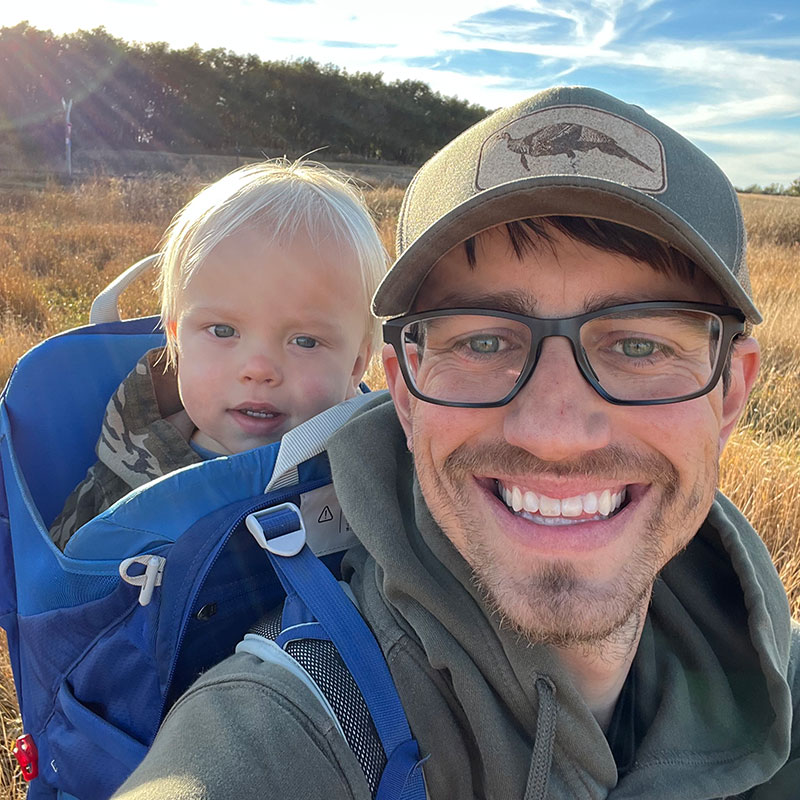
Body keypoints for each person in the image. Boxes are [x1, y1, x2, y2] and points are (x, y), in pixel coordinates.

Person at [115, 88, 799, 799]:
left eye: (637, 344)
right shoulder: (284, 733)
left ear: (731, 393)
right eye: (481, 340)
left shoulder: (772, 662)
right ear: (402, 392)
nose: (555, 434)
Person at [50, 158, 386, 549]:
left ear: (356, 365)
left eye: (305, 341)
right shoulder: (124, 484)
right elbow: (65, 593)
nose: (258, 370)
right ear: (177, 340)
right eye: (223, 331)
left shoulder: (372, 468)